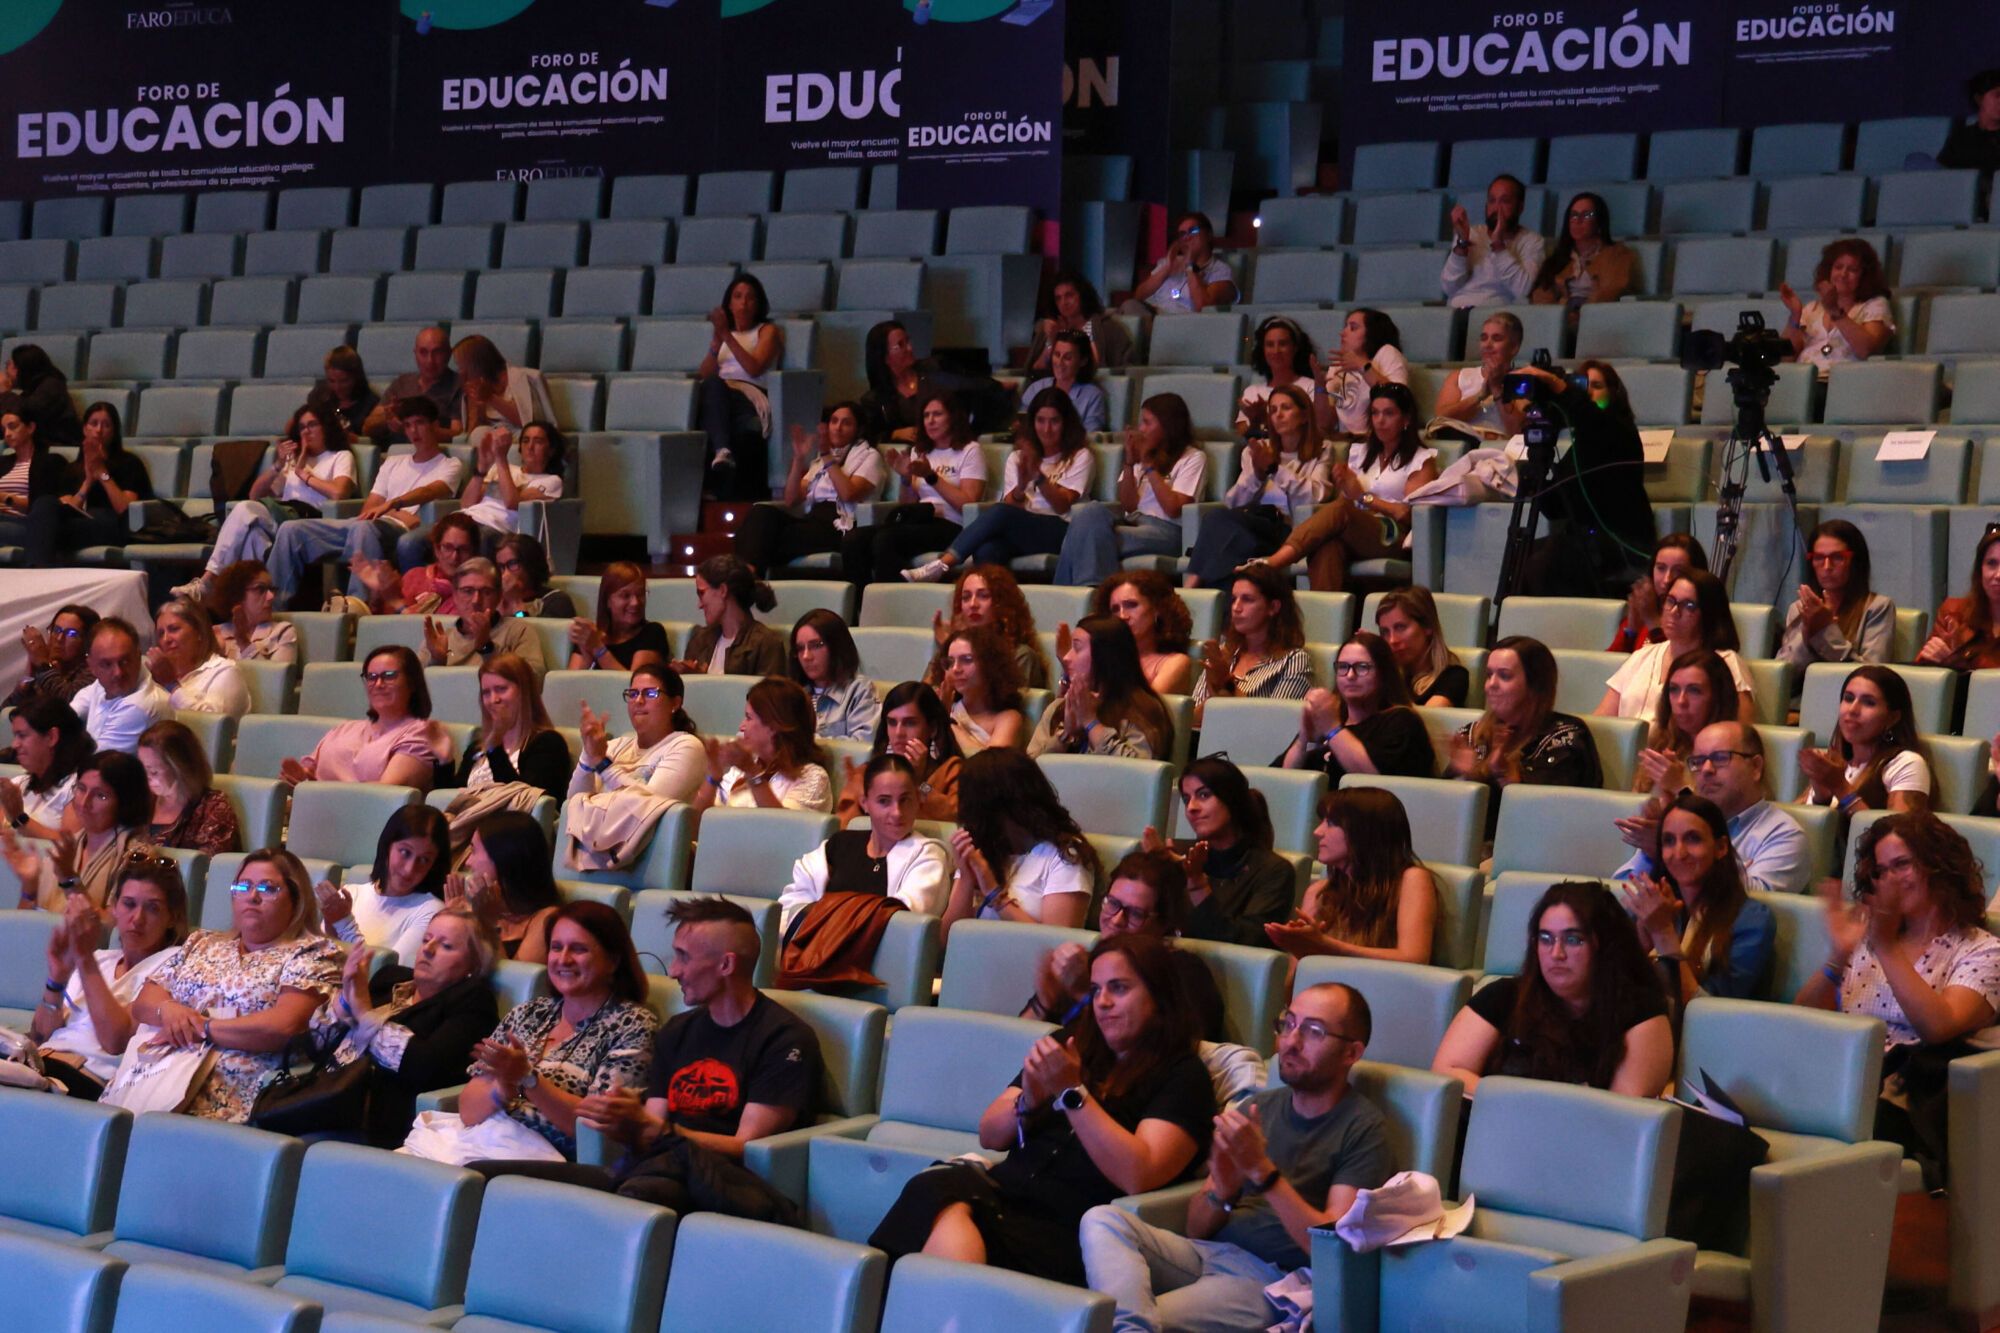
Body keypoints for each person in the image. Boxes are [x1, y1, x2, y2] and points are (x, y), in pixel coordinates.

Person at [870, 934, 1213, 1284]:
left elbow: (1139, 1173)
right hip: (1007, 1195)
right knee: (935, 1189)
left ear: (1159, 995)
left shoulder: (1184, 1077)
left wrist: (1071, 1092)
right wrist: (1029, 1101)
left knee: (951, 1210)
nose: (1103, 1002)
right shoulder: (1072, 1042)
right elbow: (990, 1133)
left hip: (1073, 1227)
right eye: (1095, 990)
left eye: (1119, 988)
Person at [1080, 982, 1393, 1333]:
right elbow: (1196, 1227)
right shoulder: (1259, 1108)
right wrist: (1223, 1190)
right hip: (1208, 1253)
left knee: (1118, 1322)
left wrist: (1263, 1172)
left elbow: (1330, 1250)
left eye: (1313, 1031)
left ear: (1351, 1053)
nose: (1291, 1041)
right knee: (1103, 1219)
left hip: (1270, 1278)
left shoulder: (1364, 1129)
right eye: (1288, 1024)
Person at [561, 897, 819, 1221]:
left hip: (727, 1183)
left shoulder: (783, 1039)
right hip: (659, 1169)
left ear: (725, 965)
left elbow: (747, 1148)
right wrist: (621, 1122)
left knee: (642, 1189)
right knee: (501, 1175)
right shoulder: (677, 1031)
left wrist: (659, 1132)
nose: (673, 971)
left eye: (684, 956)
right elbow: (652, 1128)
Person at [1797, 812, 2000, 1184]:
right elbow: (1803, 1023)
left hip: (1905, 1099)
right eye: (1881, 871)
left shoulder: (1981, 951)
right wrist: (1839, 955)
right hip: (1839, 1077)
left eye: (1902, 865)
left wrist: (1885, 945)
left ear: (1938, 866)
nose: (1891, 879)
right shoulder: (1864, 938)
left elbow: (1940, 1026)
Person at [128, 847, 342, 1123]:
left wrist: (202, 1028)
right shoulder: (202, 942)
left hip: (231, 1104)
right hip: (153, 1081)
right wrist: (168, 1011)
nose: (252, 896)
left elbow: (284, 1027)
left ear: (296, 899)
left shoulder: (312, 953)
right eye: (243, 886)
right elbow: (144, 1001)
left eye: (268, 888)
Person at [449, 902, 657, 1161]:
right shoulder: (528, 1014)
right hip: (487, 1142)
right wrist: (503, 1088)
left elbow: (597, 1129)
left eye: (579, 949)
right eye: (556, 947)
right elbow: (468, 1111)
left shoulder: (632, 1024)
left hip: (552, 1162)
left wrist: (527, 1078)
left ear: (613, 961)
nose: (563, 959)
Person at [1432, 881, 1673, 1096]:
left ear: (1605, 946)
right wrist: (1515, 1105)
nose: (1556, 954)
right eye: (1546, 939)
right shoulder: (1503, 996)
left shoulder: (1641, 1011)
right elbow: (1448, 1070)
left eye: (1573, 939)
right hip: (1499, 1130)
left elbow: (1623, 1114)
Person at [319, 903, 499, 1148]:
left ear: (473, 966)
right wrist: (344, 1001)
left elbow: (424, 1066)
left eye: (446, 945)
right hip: (321, 1099)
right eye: (426, 939)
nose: (428, 949)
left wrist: (363, 1010)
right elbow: (313, 1046)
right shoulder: (390, 978)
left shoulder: (473, 1002)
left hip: (373, 1121)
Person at [270, 396, 465, 606]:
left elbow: (430, 491)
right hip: (369, 523)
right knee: (291, 529)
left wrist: (392, 503)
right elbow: (370, 508)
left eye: (420, 423)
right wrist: (395, 510)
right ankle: (272, 606)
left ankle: (356, 607)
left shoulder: (450, 464)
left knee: (362, 529)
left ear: (434, 425)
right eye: (408, 425)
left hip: (396, 530)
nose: (414, 431)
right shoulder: (393, 462)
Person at [1249, 382, 1438, 593]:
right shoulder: (1362, 453)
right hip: (1356, 527)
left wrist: (1364, 497)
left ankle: (1275, 562)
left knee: (1342, 509)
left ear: (1406, 419)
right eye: (1375, 413)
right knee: (1328, 547)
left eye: (1389, 413)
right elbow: (1348, 499)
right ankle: (1324, 621)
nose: (1380, 421)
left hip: (1393, 534)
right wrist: (1346, 489)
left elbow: (1409, 514)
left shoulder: (1421, 460)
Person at [30, 855, 189, 1098]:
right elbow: (40, 1036)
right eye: (129, 904)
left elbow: (115, 1041)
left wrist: (84, 959)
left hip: (86, 1080)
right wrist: (57, 978)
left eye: (153, 908)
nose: (137, 919)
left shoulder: (175, 963)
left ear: (172, 918)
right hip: (38, 1064)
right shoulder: (101, 958)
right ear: (114, 907)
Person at [902, 390, 1094, 584]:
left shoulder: (1079, 456)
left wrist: (1039, 477)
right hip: (1022, 529)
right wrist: (1020, 487)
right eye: (1040, 421)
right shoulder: (1017, 457)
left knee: (1000, 511)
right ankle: (997, 607)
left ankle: (942, 565)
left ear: (1066, 423)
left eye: (1054, 421)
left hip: (1062, 531)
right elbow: (1013, 505)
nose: (1046, 429)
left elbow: (1063, 505)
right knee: (987, 550)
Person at [1507, 360, 1657, 599]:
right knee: (1523, 553)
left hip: (1622, 540)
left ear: (1614, 393)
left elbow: (1588, 417)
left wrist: (1556, 385)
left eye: (1596, 385)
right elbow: (1556, 508)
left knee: (1548, 561)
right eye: (1583, 386)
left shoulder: (1619, 430)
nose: (1588, 392)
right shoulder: (1580, 446)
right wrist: (1527, 480)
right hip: (1583, 539)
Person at [1615, 721, 1811, 896]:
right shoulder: (1678, 825)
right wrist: (1654, 856)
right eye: (1698, 762)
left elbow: (1754, 902)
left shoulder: (1784, 835)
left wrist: (1671, 855)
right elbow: (1622, 889)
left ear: (1756, 767)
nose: (1706, 770)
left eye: (1720, 758)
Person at [1620, 793, 1776, 1005]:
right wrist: (1643, 933)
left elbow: (1709, 1013)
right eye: (1668, 841)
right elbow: (1615, 986)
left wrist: (1663, 933)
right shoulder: (1650, 907)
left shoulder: (1752, 920)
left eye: (1693, 839)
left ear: (1721, 848)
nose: (1679, 853)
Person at [1448, 637, 1604, 834]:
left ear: (1535, 685)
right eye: (1489, 675)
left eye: (1504, 676)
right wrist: (1466, 778)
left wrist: (1515, 783)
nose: (1491, 685)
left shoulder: (1566, 737)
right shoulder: (1472, 735)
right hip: (1473, 848)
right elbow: (1445, 815)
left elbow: (1561, 820)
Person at [779, 755, 952, 932]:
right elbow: (792, 904)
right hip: (813, 952)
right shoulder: (839, 844)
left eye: (905, 800)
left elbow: (904, 922)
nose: (897, 812)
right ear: (865, 803)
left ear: (918, 800)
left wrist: (825, 915)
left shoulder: (927, 856)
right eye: (884, 801)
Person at [941, 748, 1100, 938]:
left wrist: (994, 894)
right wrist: (967, 876)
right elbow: (945, 941)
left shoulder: (1066, 854)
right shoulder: (981, 848)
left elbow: (1056, 945)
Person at [1267, 789, 1437, 965]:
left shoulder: (1412, 879)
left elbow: (1414, 958)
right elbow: (1297, 972)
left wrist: (1325, 946)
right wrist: (1300, 946)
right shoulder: (1317, 893)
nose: (1318, 831)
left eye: (1331, 823)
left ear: (1365, 831)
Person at [1184, 385, 1330, 588]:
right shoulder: (1255, 451)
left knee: (1221, 528)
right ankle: (1220, 606)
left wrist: (1275, 469)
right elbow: (1233, 502)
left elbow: (1313, 498)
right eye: (1273, 410)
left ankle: (1190, 590)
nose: (1278, 415)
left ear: (1305, 415)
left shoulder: (1322, 451)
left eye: (1285, 408)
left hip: (1289, 532)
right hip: (1253, 525)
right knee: (1235, 541)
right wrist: (1257, 476)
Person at [1056, 394, 1207, 588]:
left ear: (1168, 426)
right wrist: (1129, 462)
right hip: (1134, 523)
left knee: (1081, 538)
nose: (1141, 429)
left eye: (1147, 423)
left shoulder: (1193, 458)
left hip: (1168, 532)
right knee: (1090, 511)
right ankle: (1090, 591)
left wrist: (1149, 466)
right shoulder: (1142, 455)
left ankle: (1087, 593)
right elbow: (1128, 504)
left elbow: (1173, 508)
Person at [1146, 756, 1296, 949]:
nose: (1191, 807)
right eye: (1186, 798)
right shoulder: (1176, 854)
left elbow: (1248, 942)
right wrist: (1154, 872)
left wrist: (1196, 883)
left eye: (1203, 795)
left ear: (1232, 800)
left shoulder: (1274, 871)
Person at [844, 391, 989, 585]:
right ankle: (862, 602)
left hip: (953, 525)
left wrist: (931, 476)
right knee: (854, 539)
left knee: (886, 539)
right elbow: (908, 503)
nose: (930, 421)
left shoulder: (970, 450)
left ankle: (894, 601)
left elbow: (968, 504)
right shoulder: (919, 451)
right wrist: (905, 479)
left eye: (937, 414)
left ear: (953, 417)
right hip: (920, 519)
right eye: (926, 416)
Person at [733, 401, 884, 578]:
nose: (837, 427)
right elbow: (791, 499)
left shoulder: (870, 456)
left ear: (859, 429)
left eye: (846, 423)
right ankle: (749, 575)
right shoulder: (822, 460)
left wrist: (827, 456)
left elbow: (848, 493)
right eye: (834, 421)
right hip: (812, 520)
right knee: (761, 512)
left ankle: (745, 578)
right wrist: (798, 459)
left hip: (840, 527)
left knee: (763, 539)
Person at [279, 646, 453, 791]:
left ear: (412, 683)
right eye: (372, 677)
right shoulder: (344, 728)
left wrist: (314, 791)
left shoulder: (421, 733)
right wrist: (298, 780)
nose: (378, 684)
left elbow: (386, 793)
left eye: (389, 676)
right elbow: (308, 773)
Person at [1597, 569, 1755, 723]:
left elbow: (1740, 734)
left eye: (1689, 606)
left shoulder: (1726, 662)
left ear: (1709, 614)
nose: (1674, 611)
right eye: (1670, 600)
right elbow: (1601, 722)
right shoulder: (1642, 656)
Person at [5, 751, 153, 912]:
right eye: (81, 789)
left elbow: (114, 931)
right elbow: (25, 927)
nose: (84, 802)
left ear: (126, 804)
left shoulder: (137, 857)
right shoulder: (64, 848)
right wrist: (29, 886)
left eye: (101, 796)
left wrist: (69, 879)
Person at [1277, 634, 1435, 783]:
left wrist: (1333, 729)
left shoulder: (1402, 721)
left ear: (1383, 673)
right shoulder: (1328, 719)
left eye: (1362, 667)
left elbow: (1377, 781)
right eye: (1343, 667)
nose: (1350, 675)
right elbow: (1284, 781)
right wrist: (1305, 740)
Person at [316, 804, 451, 967]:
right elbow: (316, 961)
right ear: (387, 847)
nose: (409, 869)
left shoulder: (432, 911)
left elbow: (382, 975)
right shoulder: (353, 893)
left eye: (424, 860)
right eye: (405, 852)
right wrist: (332, 925)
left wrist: (344, 923)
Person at [25, 401, 153, 567]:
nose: (99, 430)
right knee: (45, 504)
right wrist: (87, 483)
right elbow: (68, 508)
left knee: (41, 531)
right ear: (85, 429)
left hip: (112, 524)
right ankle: (38, 571)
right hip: (79, 523)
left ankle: (36, 574)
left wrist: (102, 473)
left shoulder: (128, 463)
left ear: (114, 432)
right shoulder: (72, 469)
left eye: (106, 425)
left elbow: (126, 510)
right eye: (94, 424)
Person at [1029, 614, 1173, 760]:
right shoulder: (1059, 708)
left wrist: (1091, 722)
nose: (1066, 657)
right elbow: (1029, 772)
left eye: (1077, 648)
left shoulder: (1142, 711)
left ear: (1105, 656)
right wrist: (1066, 734)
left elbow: (1138, 774)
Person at [1799, 664, 1933, 816]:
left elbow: (1899, 835)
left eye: (1869, 702)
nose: (1853, 709)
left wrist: (1840, 787)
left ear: (1893, 718)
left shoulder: (1906, 763)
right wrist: (1821, 798)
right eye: (1848, 698)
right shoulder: (1835, 763)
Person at [695, 274, 785, 497]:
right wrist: (717, 343)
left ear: (758, 303)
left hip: (749, 394)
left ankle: (719, 464)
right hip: (721, 393)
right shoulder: (724, 336)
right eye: (738, 297)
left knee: (714, 393)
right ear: (729, 303)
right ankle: (722, 453)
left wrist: (727, 335)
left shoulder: (767, 331)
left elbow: (754, 368)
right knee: (710, 387)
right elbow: (704, 374)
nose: (743, 303)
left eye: (750, 298)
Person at [570, 664, 707, 807]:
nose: (638, 700)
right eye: (633, 694)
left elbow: (646, 806)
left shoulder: (686, 747)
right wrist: (588, 752)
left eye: (650, 693)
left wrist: (602, 763)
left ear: (675, 703)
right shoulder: (614, 746)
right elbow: (573, 803)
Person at [1190, 565, 1312, 726]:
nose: (1236, 608)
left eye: (1247, 600)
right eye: (1234, 599)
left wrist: (1226, 685)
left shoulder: (1293, 660)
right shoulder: (1224, 654)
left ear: (1273, 607)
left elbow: (1273, 725)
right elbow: (1192, 722)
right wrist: (1216, 692)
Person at [692, 677, 835, 813]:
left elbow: (783, 830)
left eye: (748, 718)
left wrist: (752, 772)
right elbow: (694, 826)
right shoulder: (740, 769)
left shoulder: (812, 777)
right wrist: (713, 776)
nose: (742, 727)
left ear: (774, 726)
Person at [833, 681, 962, 828]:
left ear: (932, 728)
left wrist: (919, 784)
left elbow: (955, 818)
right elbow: (845, 828)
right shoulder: (866, 774)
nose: (899, 733)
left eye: (910, 723)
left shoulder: (951, 770)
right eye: (892, 723)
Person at [454, 652, 571, 800]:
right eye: (486, 693)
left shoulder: (547, 743)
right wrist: (444, 761)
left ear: (523, 692)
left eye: (501, 689)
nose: (493, 699)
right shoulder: (476, 749)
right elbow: (449, 802)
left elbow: (526, 804)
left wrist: (495, 750)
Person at [456, 811, 564, 964]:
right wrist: (455, 918)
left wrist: (487, 922)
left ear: (502, 856)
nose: (468, 862)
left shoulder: (546, 918)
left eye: (473, 851)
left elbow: (515, 982)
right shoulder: (481, 905)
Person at [1629, 650, 1739, 799]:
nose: (1681, 701)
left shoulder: (1733, 755)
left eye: (1694, 691)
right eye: (1673, 690)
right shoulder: (1661, 743)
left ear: (1718, 698)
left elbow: (1719, 819)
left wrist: (1677, 787)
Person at [922, 564, 1049, 691]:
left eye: (983, 596)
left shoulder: (1021, 656)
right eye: (966, 597)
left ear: (1002, 603)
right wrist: (947, 648)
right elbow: (919, 698)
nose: (973, 604)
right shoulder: (952, 651)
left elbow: (1002, 704)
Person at [419, 558, 547, 679]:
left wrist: (486, 648)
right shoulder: (440, 637)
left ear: (499, 597)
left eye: (486, 592)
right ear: (455, 596)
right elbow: (416, 690)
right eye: (468, 591)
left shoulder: (518, 631)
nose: (476, 601)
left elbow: (535, 680)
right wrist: (437, 661)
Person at [1782, 238, 1893, 374]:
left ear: (1864, 276)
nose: (1843, 274)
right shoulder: (1811, 308)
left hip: (1845, 384)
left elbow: (1866, 351)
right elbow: (1785, 358)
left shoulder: (1875, 305)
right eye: (1838, 267)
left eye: (1852, 270)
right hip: (1804, 382)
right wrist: (1795, 314)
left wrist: (1834, 310)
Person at [69, 618, 173, 756]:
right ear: (91, 666)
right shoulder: (102, 685)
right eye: (106, 664)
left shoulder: (140, 706)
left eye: (124, 661)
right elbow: (66, 717)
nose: (118, 673)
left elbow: (95, 768)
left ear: (138, 656)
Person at [136, 719, 241, 856]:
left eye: (154, 771)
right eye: (143, 769)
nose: (147, 777)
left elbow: (207, 868)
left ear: (180, 768)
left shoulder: (213, 808)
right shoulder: (142, 801)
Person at [1441, 175, 1546, 309]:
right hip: (1456, 313)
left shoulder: (1533, 241)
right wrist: (1462, 243)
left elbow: (1523, 290)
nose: (1497, 209)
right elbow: (1449, 287)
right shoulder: (1470, 233)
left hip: (1495, 318)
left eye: (1505, 201)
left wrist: (1498, 245)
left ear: (1520, 208)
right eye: (1492, 201)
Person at [677, 554, 788, 678]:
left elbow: (769, 696)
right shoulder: (699, 640)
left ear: (723, 591)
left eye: (702, 593)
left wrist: (705, 683)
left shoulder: (767, 644)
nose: (699, 605)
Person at [355, 510, 481, 618]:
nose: (455, 557)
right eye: (448, 547)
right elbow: (384, 624)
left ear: (474, 552)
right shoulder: (415, 576)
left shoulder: (474, 591)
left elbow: (424, 634)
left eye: (463, 549)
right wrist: (377, 594)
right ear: (437, 549)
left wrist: (396, 602)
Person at [1, 696, 92, 840]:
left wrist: (20, 819)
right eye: (15, 736)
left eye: (22, 736)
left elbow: (72, 849)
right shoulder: (19, 783)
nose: (14, 745)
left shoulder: (79, 790)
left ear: (51, 737)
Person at [1530, 191, 1636, 316]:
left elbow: (1611, 292)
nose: (1578, 220)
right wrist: (1558, 317)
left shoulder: (1617, 254)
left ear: (1599, 221)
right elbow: (1542, 294)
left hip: (1597, 317)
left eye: (1587, 215)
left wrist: (1582, 314)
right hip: (1561, 319)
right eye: (1573, 215)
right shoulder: (1559, 257)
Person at [457, 420, 566, 539]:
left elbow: (512, 503)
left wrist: (501, 458)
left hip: (495, 529)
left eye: (538, 442)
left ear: (551, 450)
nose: (530, 447)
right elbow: (466, 504)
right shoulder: (501, 468)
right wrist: (482, 468)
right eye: (525, 441)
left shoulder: (552, 481)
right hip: (465, 518)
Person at [1093, 571, 1196, 697]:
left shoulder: (1175, 662)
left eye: (1131, 605)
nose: (1122, 616)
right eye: (1115, 609)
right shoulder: (1105, 657)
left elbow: (1146, 709)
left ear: (1157, 609)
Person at [1315, 308, 1412, 438]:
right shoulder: (1338, 365)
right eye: (1345, 327)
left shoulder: (1387, 353)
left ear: (1372, 334)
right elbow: (1325, 424)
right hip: (1347, 442)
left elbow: (1399, 399)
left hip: (1380, 440)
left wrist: (1363, 366)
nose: (1342, 333)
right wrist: (1320, 387)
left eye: (1353, 328)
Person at [147, 599, 250, 719]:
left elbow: (212, 727)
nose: (166, 639)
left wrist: (172, 686)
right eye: (160, 634)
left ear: (199, 632)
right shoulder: (155, 674)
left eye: (174, 629)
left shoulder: (225, 672)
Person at [789, 609, 880, 743]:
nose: (806, 656)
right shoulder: (791, 692)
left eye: (816, 646)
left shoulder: (859, 690)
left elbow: (862, 747)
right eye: (800, 648)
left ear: (837, 647)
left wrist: (808, 744)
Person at [1917, 527, 2000, 672]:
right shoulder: (1954, 612)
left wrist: (1956, 660)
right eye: (1991, 563)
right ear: (1979, 571)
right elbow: (1923, 668)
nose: (1998, 575)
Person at [1125, 212, 1239, 316]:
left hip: (1179, 323)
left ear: (1208, 235)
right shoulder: (1168, 262)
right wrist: (1167, 268)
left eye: (1193, 230)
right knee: (1124, 309)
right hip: (1146, 314)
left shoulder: (1220, 270)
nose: (1187, 237)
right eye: (1183, 234)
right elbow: (1138, 296)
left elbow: (1204, 307)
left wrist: (1190, 266)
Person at [1609, 534, 1708, 653]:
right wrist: (1631, 629)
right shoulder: (1644, 608)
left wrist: (1653, 622)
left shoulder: (1695, 618)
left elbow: (1671, 665)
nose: (1667, 579)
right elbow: (1611, 666)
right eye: (1661, 568)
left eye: (1678, 571)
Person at [938, 624, 1027, 756]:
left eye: (967, 660)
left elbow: (992, 767)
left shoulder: (1008, 718)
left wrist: (946, 722)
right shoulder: (947, 708)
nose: (955, 669)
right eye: (950, 662)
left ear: (990, 665)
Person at [363, 326, 462, 442]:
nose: (430, 360)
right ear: (415, 354)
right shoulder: (401, 383)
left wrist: (409, 428)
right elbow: (367, 428)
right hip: (394, 455)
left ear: (449, 354)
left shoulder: (459, 385)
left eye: (437, 352)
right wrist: (387, 417)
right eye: (423, 352)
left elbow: (458, 436)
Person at [453, 333, 555, 446]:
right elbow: (472, 430)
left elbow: (528, 422)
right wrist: (475, 405)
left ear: (477, 363)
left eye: (462, 366)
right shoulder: (476, 384)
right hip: (497, 437)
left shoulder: (519, 378)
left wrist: (491, 398)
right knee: (478, 434)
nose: (461, 371)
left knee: (528, 438)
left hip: (521, 433)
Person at [1434, 312, 1525, 437]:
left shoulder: (1524, 380)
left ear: (1514, 347)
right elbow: (1441, 420)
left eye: (1497, 338)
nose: (1487, 345)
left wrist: (1496, 388)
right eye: (1484, 338)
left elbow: (1517, 431)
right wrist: (1480, 396)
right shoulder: (1459, 376)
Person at [1374, 587, 1467, 708]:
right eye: (1385, 632)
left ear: (1427, 626)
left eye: (1400, 627)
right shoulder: (1388, 675)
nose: (1392, 640)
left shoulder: (1454, 676)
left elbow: (1428, 720)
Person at [1026, 269, 1134, 372]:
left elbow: (1125, 369)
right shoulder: (1050, 329)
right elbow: (1035, 373)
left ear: (1082, 296)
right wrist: (1050, 342)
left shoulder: (1108, 328)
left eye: (1069, 295)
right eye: (1058, 298)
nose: (1064, 302)